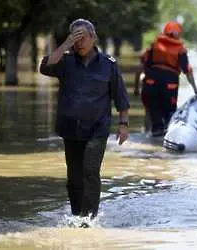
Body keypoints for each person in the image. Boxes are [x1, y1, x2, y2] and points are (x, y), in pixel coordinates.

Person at [39, 18, 130, 223]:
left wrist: (123, 125)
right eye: (75, 37)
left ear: (93, 37)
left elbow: (120, 97)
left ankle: (89, 219)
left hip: (97, 129)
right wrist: (65, 44)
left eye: (82, 37)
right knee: (74, 178)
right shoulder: (65, 62)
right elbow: (45, 67)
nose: (79, 42)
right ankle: (77, 215)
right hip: (70, 128)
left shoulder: (108, 65)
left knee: (90, 171)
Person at [134, 21, 197, 137]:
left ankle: (147, 136)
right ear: (179, 34)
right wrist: (195, 89)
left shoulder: (154, 45)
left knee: (150, 112)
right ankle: (165, 141)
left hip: (150, 84)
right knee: (168, 118)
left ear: (165, 32)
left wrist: (136, 87)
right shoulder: (180, 49)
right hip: (169, 87)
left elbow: (140, 68)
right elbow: (187, 71)